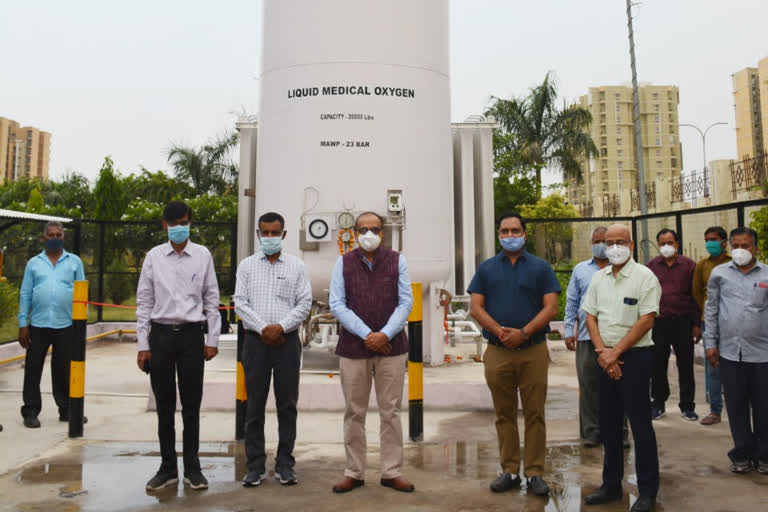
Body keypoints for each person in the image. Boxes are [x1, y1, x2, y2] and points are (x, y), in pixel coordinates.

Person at [468, 212, 560, 497]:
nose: (510, 236)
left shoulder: (541, 268)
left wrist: (524, 332)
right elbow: (475, 307)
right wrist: (500, 331)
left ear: (525, 233)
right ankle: (509, 470)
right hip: (497, 352)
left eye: (515, 230)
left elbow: (551, 308)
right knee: (503, 413)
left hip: (532, 351)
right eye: (505, 231)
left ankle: (534, 473)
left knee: (535, 414)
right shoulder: (486, 269)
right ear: (499, 234)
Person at [136, 201, 221, 491]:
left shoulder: (202, 255)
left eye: (182, 222)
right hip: (160, 337)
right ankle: (167, 467)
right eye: (172, 224)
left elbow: (211, 299)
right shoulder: (153, 257)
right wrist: (143, 344)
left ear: (191, 222)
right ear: (164, 225)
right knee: (164, 406)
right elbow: (144, 302)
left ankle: (193, 468)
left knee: (192, 406)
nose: (177, 228)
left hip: (191, 337)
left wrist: (212, 340)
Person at [329, 212, 414, 494]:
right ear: (354, 233)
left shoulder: (397, 260)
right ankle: (354, 472)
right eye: (363, 229)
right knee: (354, 412)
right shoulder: (342, 263)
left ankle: (391, 472)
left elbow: (406, 302)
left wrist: (384, 335)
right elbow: (337, 304)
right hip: (354, 348)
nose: (369, 234)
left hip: (392, 348)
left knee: (390, 411)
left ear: (383, 232)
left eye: (374, 229)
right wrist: (367, 335)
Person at [582, 224, 661, 512]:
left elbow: (646, 320)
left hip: (636, 359)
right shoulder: (599, 278)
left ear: (631, 245)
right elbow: (590, 316)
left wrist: (614, 354)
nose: (613, 247)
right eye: (608, 242)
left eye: (620, 242)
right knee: (609, 426)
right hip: (604, 359)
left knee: (641, 426)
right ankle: (611, 485)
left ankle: (648, 492)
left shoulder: (645, 278)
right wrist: (604, 353)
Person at [235, 212, 312, 487]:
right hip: (256, 343)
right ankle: (255, 466)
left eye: (274, 233)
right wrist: (264, 329)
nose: (269, 237)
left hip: (287, 344)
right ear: (257, 234)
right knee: (253, 406)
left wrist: (280, 327)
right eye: (264, 233)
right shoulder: (246, 266)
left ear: (284, 234)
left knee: (287, 405)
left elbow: (304, 303)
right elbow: (240, 303)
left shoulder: (296, 266)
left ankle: (285, 464)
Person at [704, 227, 768, 475]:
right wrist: (710, 343)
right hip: (730, 353)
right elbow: (711, 310)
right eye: (736, 246)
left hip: (762, 353)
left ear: (756, 248)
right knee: (737, 406)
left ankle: (764, 455)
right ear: (730, 247)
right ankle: (741, 453)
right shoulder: (720, 274)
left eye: (746, 245)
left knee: (764, 407)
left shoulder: (766, 274)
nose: (741, 250)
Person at [18, 221, 85, 428]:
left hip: (66, 325)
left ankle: (66, 410)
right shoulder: (34, 263)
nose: (55, 238)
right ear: (43, 238)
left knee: (64, 369)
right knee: (33, 368)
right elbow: (26, 293)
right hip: (38, 324)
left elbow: (81, 293)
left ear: (63, 237)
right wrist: (23, 323)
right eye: (51, 235)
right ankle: (30, 411)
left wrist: (80, 324)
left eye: (59, 235)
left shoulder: (74, 262)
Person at [646, 229, 700, 421]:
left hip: (682, 322)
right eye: (662, 243)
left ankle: (687, 405)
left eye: (670, 242)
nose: (666, 246)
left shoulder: (689, 266)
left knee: (685, 364)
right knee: (657, 365)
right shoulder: (651, 266)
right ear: (658, 245)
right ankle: (658, 403)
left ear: (677, 243)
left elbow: (696, 296)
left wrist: (696, 324)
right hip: (658, 324)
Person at [692, 226, 731, 426]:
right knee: (713, 366)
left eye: (713, 239)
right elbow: (697, 292)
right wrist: (703, 317)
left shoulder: (733, 263)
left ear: (724, 242)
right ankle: (715, 410)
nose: (709, 243)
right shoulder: (702, 265)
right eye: (707, 239)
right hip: (709, 322)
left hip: (733, 323)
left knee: (736, 366)